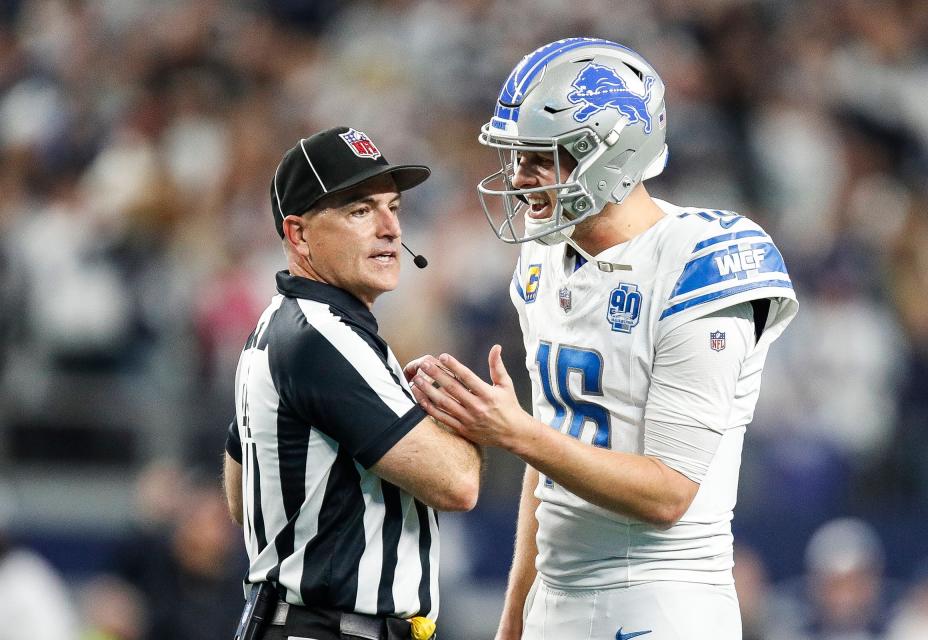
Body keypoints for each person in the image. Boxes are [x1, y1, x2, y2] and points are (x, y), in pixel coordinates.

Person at [407, 38, 798, 640]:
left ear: (610, 154)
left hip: (662, 596)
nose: (519, 178)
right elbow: (551, 455)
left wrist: (515, 431)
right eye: (516, 157)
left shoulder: (699, 260)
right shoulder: (542, 258)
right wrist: (517, 612)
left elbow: (668, 494)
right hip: (556, 599)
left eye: (541, 157)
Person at [222, 126, 483, 640]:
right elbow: (459, 483)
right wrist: (465, 416)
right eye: (360, 211)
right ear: (298, 235)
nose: (390, 229)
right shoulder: (321, 337)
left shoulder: (280, 325)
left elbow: (240, 497)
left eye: (394, 207)